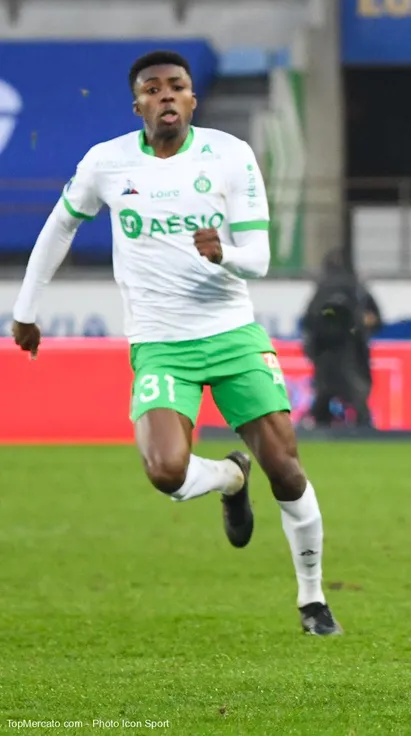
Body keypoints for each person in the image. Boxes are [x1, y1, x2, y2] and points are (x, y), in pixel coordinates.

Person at [9, 50, 341, 636]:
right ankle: (229, 479)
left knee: (287, 470)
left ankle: (312, 599)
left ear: (193, 99)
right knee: (166, 471)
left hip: (232, 333)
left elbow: (258, 260)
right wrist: (26, 310)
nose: (166, 96)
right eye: (153, 89)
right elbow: (60, 225)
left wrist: (224, 253)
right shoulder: (106, 163)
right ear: (137, 103)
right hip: (160, 343)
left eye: (177, 87)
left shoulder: (230, 156)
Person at [301, 249, 380, 428]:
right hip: (349, 352)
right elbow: (376, 319)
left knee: (324, 394)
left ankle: (321, 428)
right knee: (355, 394)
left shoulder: (322, 291)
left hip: (327, 354)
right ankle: (365, 430)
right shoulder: (358, 290)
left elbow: (309, 321)